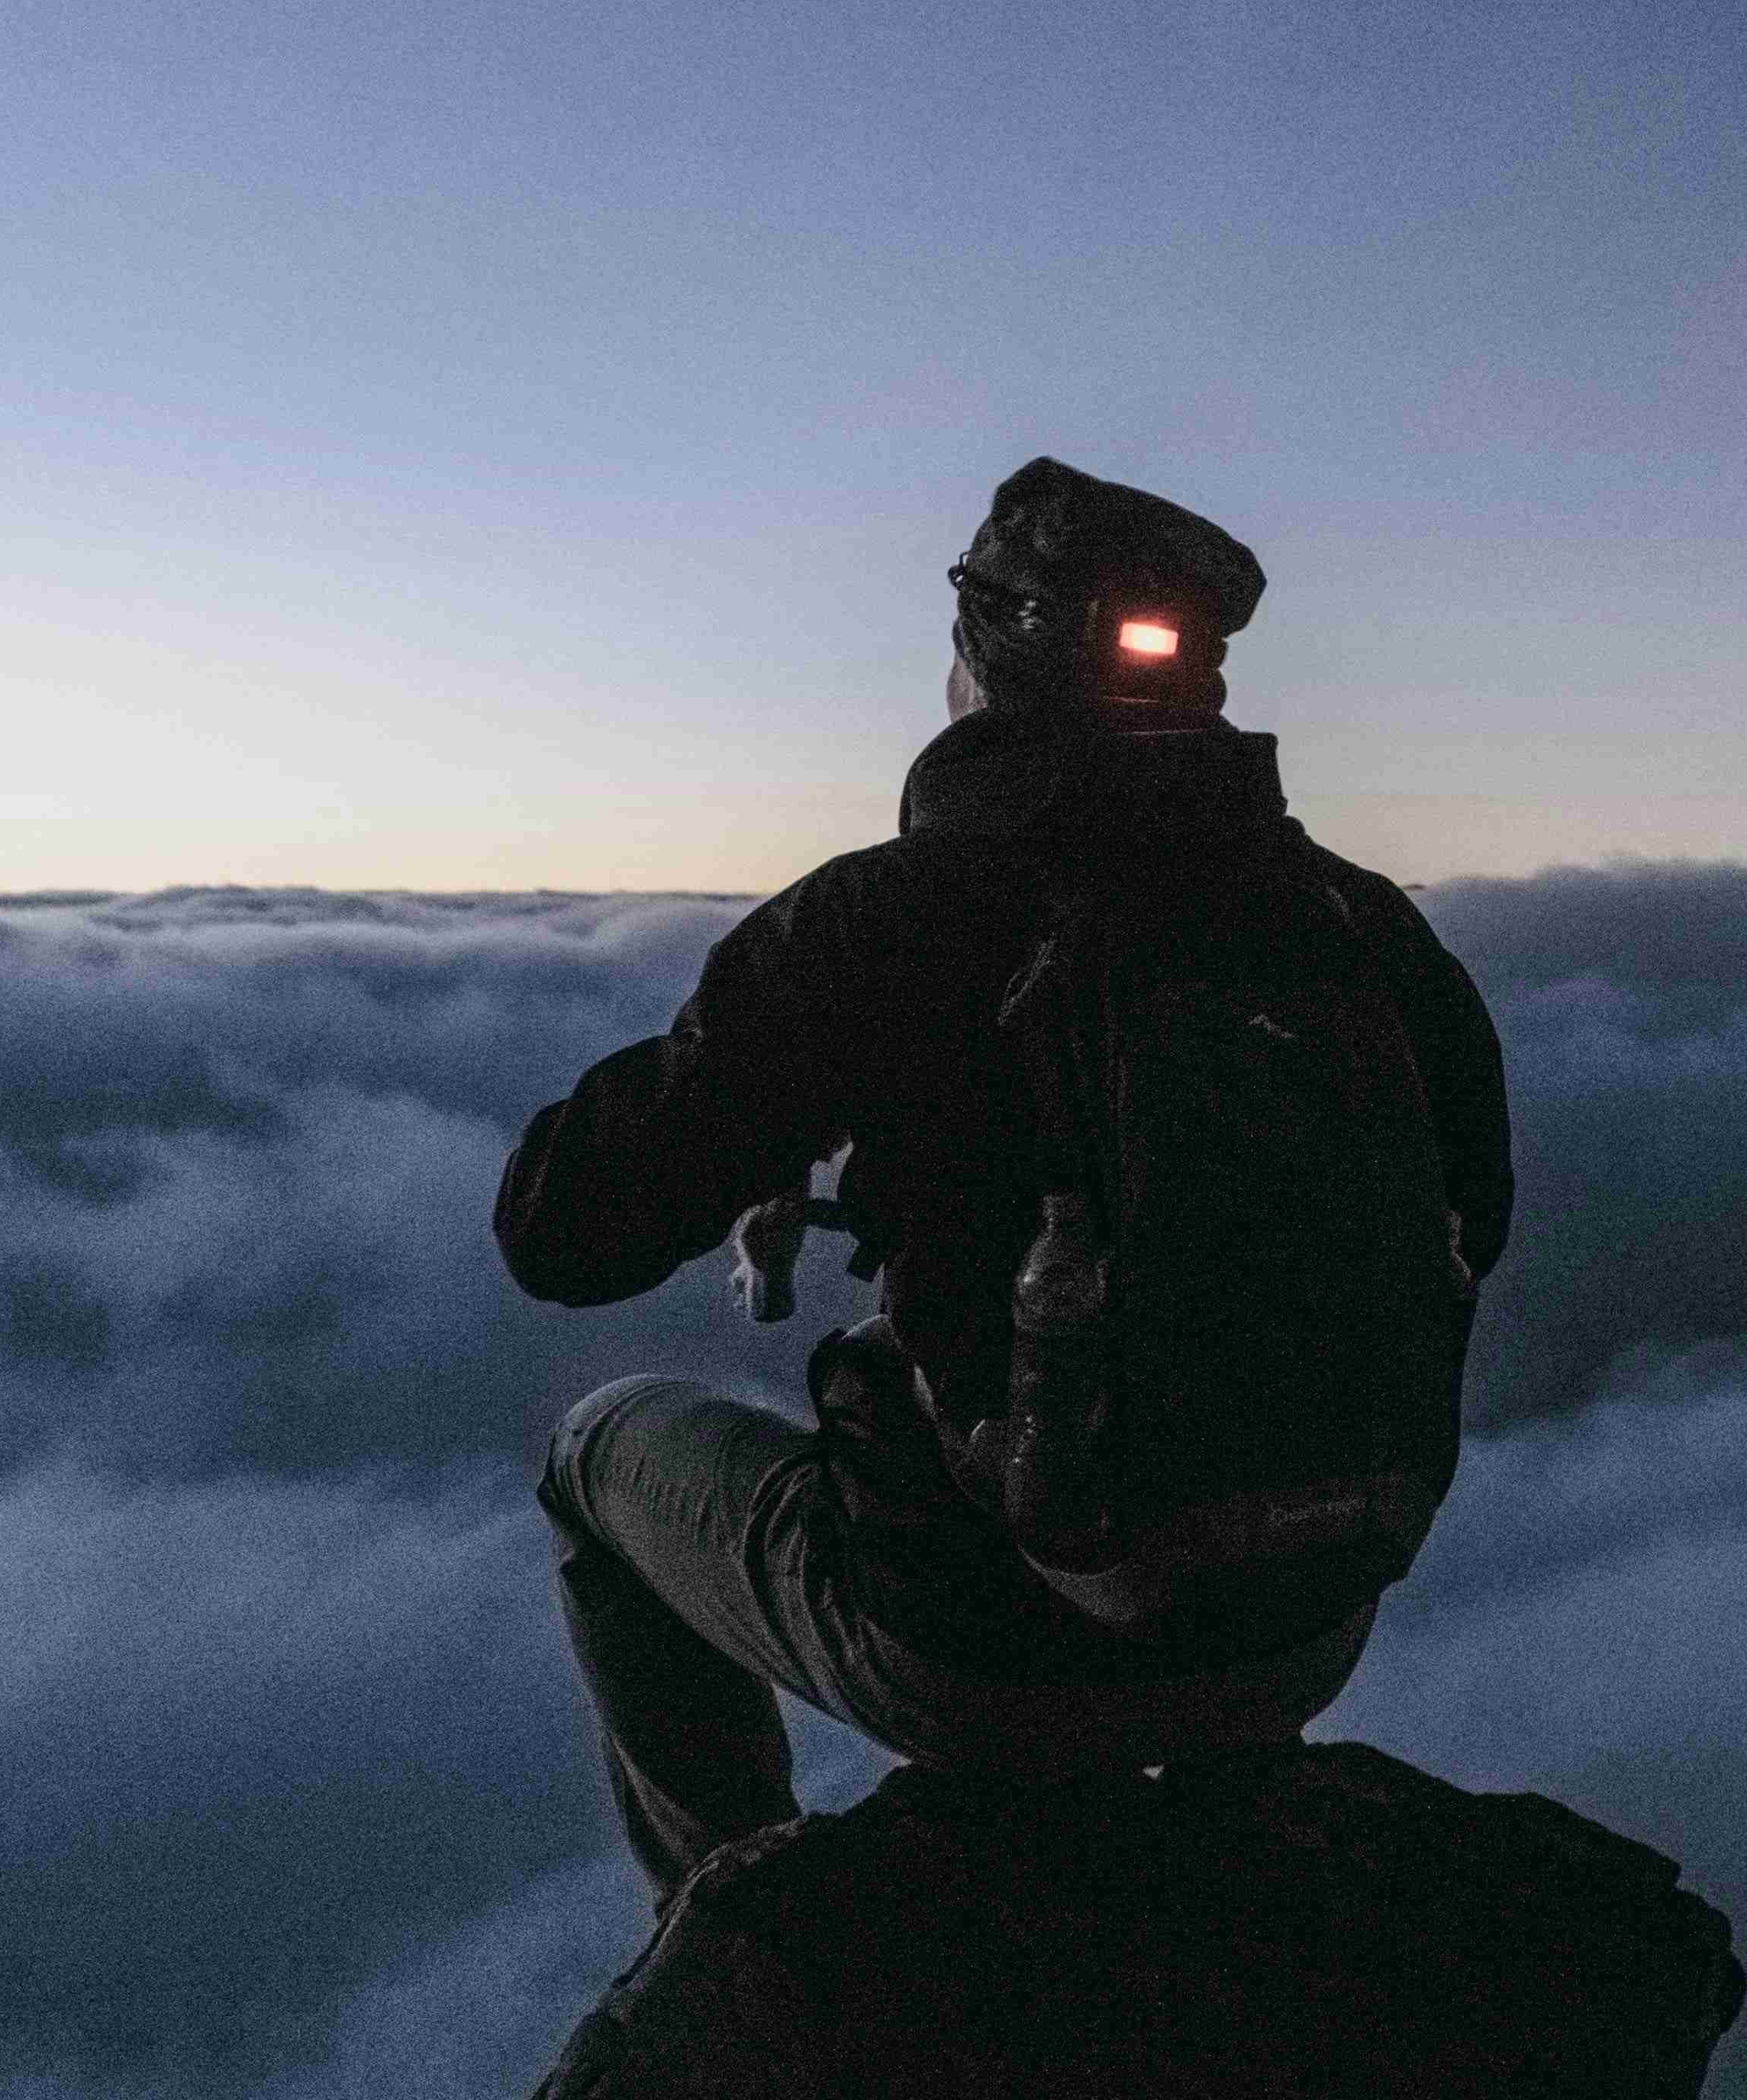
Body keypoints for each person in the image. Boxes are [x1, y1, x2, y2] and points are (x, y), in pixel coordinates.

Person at [496, 458, 1513, 1908]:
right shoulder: (1362, 927)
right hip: (1301, 1636)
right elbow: (1474, 1221)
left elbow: (560, 1234)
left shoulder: (888, 915)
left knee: (593, 1456)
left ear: (989, 650)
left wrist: (764, 1077)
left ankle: (737, 1923)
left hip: (974, 1653)